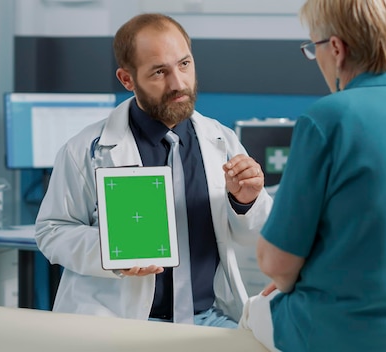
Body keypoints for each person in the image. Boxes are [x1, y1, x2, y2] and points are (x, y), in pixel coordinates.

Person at [239, 0, 386, 351]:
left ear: (336, 48)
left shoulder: (327, 119)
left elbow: (276, 262)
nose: (315, 58)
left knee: (251, 311)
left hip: (352, 336)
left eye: (313, 48)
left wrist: (294, 276)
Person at [34, 13, 273, 328]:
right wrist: (113, 251)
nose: (178, 83)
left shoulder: (222, 140)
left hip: (208, 319)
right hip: (121, 321)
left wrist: (246, 201)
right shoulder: (85, 150)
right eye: (160, 72)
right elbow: (52, 231)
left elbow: (254, 236)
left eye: (184, 65)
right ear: (127, 79)